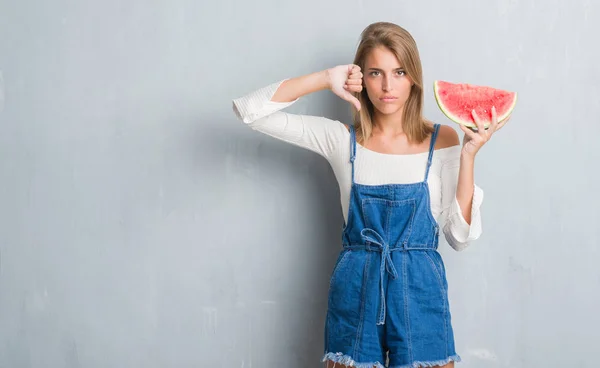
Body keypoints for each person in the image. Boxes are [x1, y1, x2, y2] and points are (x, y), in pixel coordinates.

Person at [232, 21, 509, 368]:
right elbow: (249, 111)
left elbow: (459, 236)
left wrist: (468, 155)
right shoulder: (340, 140)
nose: (388, 86)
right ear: (361, 78)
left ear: (414, 79)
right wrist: (325, 78)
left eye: (400, 72)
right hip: (356, 286)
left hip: (421, 289)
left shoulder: (445, 140)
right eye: (376, 73)